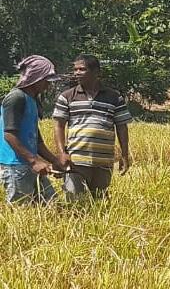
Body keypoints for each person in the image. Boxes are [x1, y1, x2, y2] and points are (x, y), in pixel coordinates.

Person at [52, 54, 132, 200]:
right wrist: (61, 153)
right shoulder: (67, 96)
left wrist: (125, 155)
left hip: (103, 161)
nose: (77, 73)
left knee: (99, 201)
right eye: (75, 69)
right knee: (75, 202)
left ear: (96, 72)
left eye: (82, 69)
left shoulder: (114, 97)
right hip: (76, 160)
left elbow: (122, 127)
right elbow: (59, 126)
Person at [0, 55, 65, 204]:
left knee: (52, 205)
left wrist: (55, 161)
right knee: (21, 212)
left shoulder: (32, 100)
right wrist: (34, 161)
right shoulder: (16, 98)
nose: (49, 85)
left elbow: (36, 139)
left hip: (29, 163)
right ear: (36, 78)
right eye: (46, 80)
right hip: (15, 166)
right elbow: (9, 135)